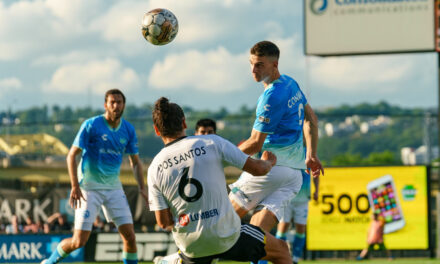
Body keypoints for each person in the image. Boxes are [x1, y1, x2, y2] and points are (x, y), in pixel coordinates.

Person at [148, 97, 292, 264]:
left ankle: (176, 260)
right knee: (281, 250)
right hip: (228, 236)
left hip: (191, 245)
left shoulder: (154, 167)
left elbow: (163, 222)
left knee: (194, 253)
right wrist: (269, 162)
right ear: (184, 123)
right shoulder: (211, 142)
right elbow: (259, 170)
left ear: (157, 130)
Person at [41, 89, 147, 264]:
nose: (116, 105)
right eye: (112, 102)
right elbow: (71, 155)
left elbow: (135, 162)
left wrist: (142, 188)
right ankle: (49, 262)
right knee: (78, 242)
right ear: (105, 105)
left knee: (130, 237)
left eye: (119, 102)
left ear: (124, 105)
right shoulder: (91, 125)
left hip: (114, 189)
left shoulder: (128, 129)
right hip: (88, 189)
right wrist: (75, 186)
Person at [228, 40, 324, 233]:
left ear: (275, 64)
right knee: (256, 235)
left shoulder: (271, 96)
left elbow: (255, 144)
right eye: (251, 63)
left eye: (259, 64)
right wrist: (311, 154)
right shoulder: (290, 83)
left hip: (270, 169)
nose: (253, 70)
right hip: (294, 176)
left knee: (219, 223)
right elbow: (311, 119)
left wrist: (221, 155)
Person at [276, 170, 319, 264]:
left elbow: (316, 171)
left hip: (303, 200)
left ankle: (295, 258)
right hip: (287, 197)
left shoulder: (308, 155)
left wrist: (316, 190)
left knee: (301, 229)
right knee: (283, 227)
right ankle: (279, 255)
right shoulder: (287, 155)